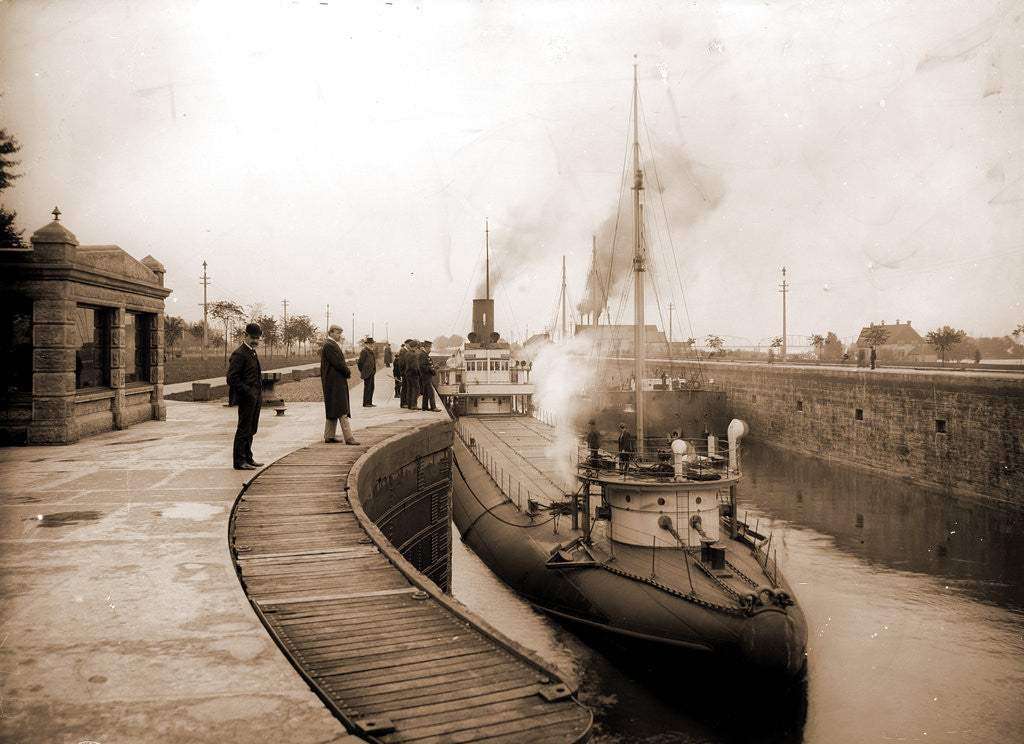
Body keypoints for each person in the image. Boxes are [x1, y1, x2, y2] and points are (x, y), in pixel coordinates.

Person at [226, 322, 264, 470]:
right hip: (247, 398)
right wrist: (248, 392)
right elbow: (231, 378)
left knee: (252, 429)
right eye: (252, 337)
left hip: (255, 397)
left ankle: (248, 457)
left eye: (257, 338)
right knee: (244, 429)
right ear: (245, 335)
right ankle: (239, 461)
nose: (255, 341)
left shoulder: (251, 352)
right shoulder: (239, 353)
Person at [321, 324, 358, 445]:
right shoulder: (330, 346)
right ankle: (349, 437)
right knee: (342, 408)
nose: (339, 335)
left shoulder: (330, 345)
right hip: (335, 381)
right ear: (330, 333)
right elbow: (338, 363)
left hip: (333, 381)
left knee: (333, 408)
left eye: (340, 333)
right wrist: (347, 371)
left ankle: (329, 436)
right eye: (337, 333)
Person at [358, 337, 377, 407]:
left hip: (372, 372)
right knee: (367, 388)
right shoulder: (364, 351)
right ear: (367, 344)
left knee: (371, 388)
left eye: (372, 343)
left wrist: (374, 370)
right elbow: (360, 362)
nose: (371, 345)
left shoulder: (371, 351)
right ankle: (366, 403)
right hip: (367, 372)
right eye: (370, 343)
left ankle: (370, 402)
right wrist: (363, 370)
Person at [419, 340, 438, 411]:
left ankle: (425, 406)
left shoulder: (423, 354)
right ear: (426, 347)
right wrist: (430, 369)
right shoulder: (423, 355)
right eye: (429, 348)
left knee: (426, 392)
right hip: (426, 375)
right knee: (431, 391)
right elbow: (422, 365)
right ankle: (433, 407)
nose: (430, 349)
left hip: (426, 375)